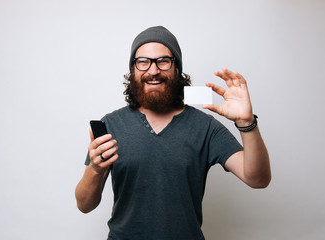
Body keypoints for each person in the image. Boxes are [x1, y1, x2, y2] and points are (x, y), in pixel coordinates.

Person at [75, 26, 271, 240]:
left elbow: (258, 179)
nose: (153, 70)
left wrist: (246, 122)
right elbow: (84, 205)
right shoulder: (111, 124)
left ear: (177, 69)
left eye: (163, 61)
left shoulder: (205, 126)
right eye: (143, 61)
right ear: (133, 70)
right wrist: (94, 169)